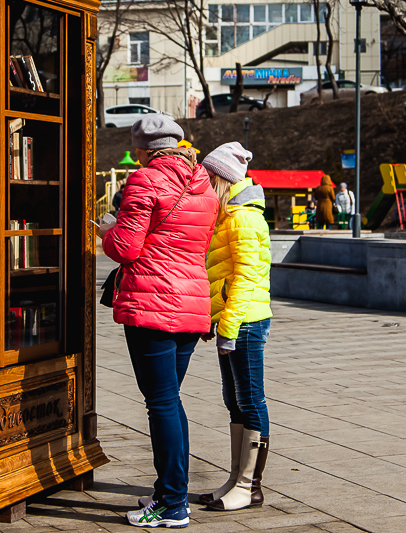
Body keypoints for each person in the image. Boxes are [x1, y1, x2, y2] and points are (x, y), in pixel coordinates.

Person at [100, 114, 219, 528]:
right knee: (170, 401)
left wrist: (107, 230)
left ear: (142, 149)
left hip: (151, 305)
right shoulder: (205, 184)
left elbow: (126, 248)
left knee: (161, 404)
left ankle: (172, 504)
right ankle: (173, 494)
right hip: (191, 306)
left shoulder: (144, 180)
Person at [199, 142, 272, 511]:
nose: (204, 182)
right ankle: (235, 479)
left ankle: (250, 486)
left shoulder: (244, 217)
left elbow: (246, 276)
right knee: (235, 401)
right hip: (233, 320)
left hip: (245, 322)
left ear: (223, 179)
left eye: (208, 176)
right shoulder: (228, 214)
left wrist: (227, 325)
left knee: (250, 399)